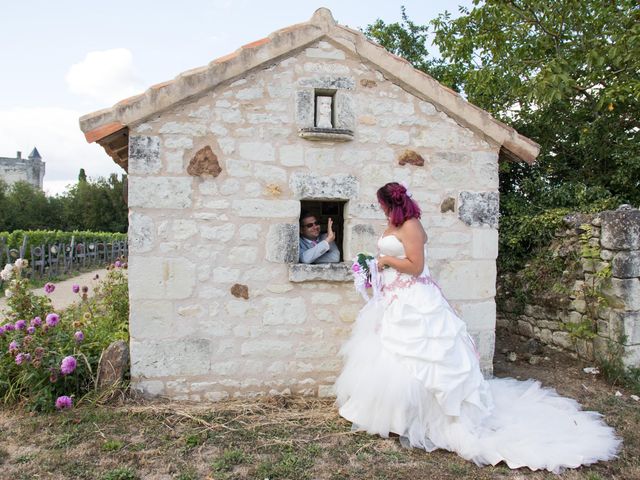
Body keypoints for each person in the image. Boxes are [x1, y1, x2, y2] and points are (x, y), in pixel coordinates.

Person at [335, 182, 620, 473]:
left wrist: (385, 260)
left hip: (415, 300)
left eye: (381, 203)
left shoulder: (411, 226)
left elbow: (416, 266)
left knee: (425, 358)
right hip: (395, 299)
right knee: (392, 356)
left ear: (390, 203)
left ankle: (435, 418)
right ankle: (397, 416)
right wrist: (374, 268)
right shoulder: (394, 223)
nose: (380, 208)